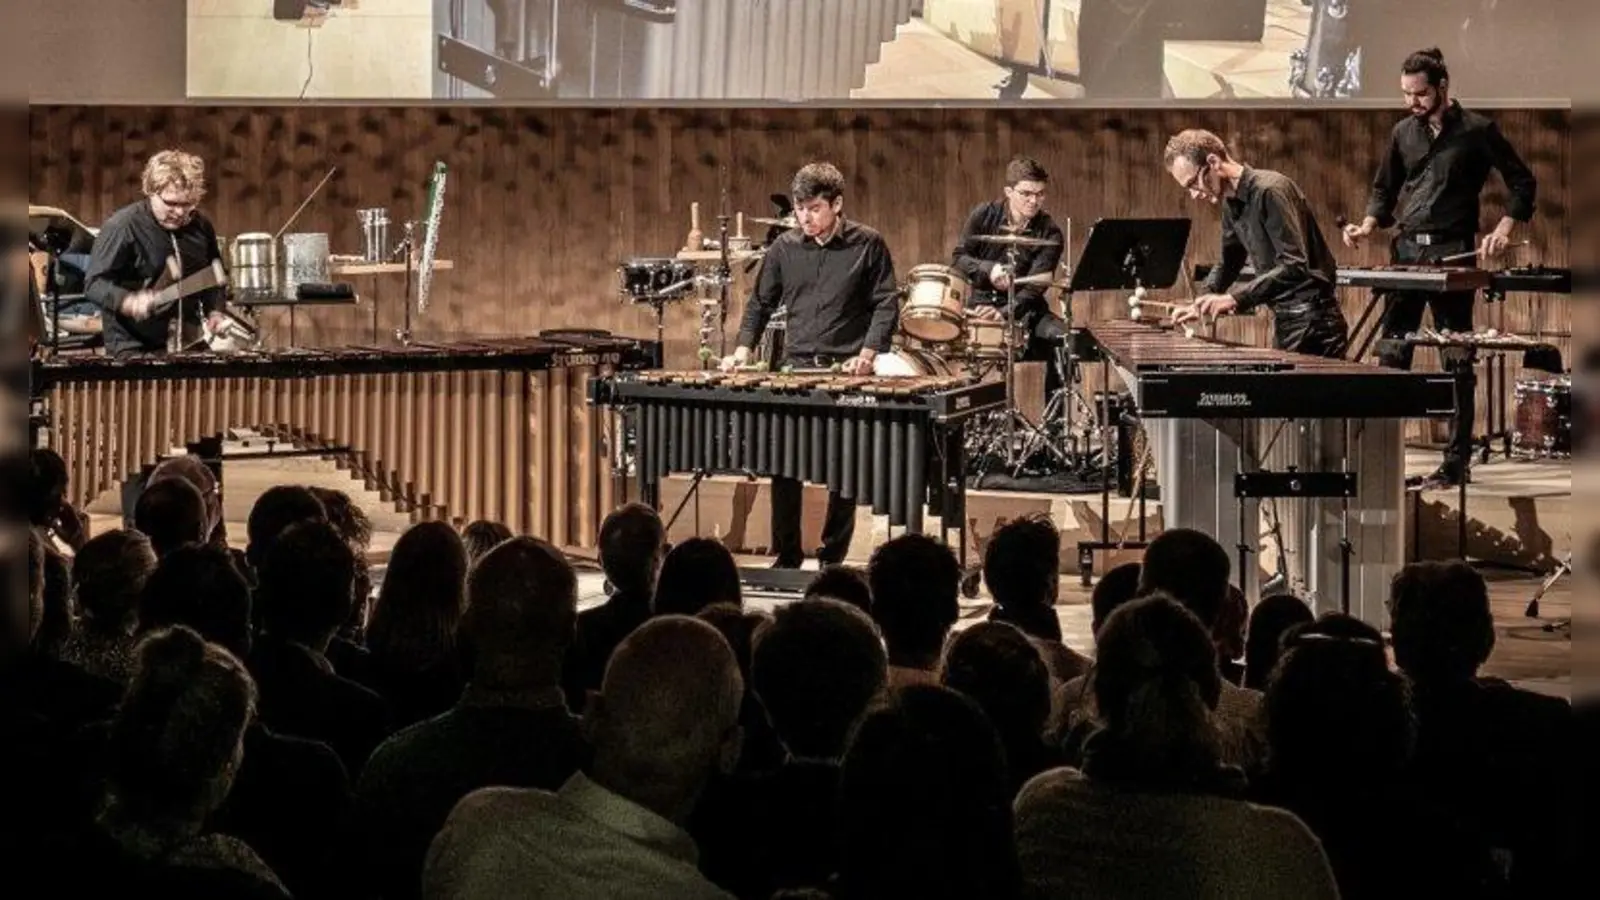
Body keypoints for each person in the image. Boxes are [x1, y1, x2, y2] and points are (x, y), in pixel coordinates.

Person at [1342, 48, 1537, 486]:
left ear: (1442, 87)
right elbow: (1384, 188)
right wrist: (1367, 225)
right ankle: (1381, 462)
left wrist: (1504, 227)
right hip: (1407, 253)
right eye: (1405, 93)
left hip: (1453, 252)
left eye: (1419, 94)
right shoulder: (1402, 132)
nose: (1411, 102)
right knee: (1392, 354)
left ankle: (1455, 462)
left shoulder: (1477, 130)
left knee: (1456, 358)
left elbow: (1523, 181)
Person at [722, 162, 899, 568]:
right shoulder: (784, 248)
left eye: (814, 208)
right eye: (800, 208)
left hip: (846, 372)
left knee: (844, 471)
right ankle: (787, 556)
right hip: (796, 368)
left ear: (836, 204)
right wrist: (743, 349)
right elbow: (760, 304)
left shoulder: (868, 244)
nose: (805, 217)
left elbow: (886, 303)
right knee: (784, 466)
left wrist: (869, 353)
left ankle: (832, 559)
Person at [1166, 129, 1348, 359]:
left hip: (1315, 323)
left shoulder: (1270, 190)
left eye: (1193, 183)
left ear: (1213, 162)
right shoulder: (1230, 203)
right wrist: (1202, 300)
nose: (1194, 195)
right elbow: (1229, 263)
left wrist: (1234, 298)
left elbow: (1294, 265)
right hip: (1285, 320)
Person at [84, 149, 231, 356]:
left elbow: (214, 277)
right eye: (171, 203)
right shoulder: (123, 226)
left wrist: (215, 312)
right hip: (133, 346)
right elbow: (94, 284)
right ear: (151, 192)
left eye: (187, 204)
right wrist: (127, 300)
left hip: (188, 342)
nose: (179, 212)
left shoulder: (201, 227)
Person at [951, 156, 1070, 394]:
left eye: (1040, 194)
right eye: (1026, 193)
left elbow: (1035, 287)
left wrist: (1005, 312)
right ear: (1009, 192)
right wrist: (989, 269)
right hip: (981, 308)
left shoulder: (1051, 232)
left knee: (1065, 339)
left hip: (1026, 310)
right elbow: (959, 259)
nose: (1034, 201)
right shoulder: (983, 215)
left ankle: (1054, 416)